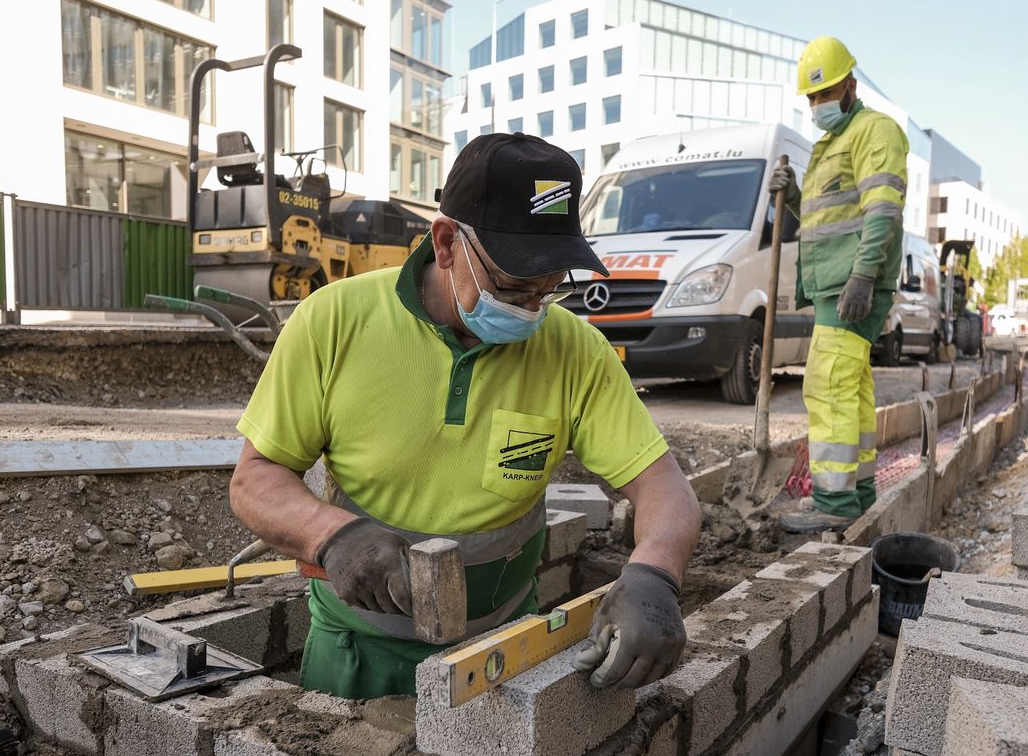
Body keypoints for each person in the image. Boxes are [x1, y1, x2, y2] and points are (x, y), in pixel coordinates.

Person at [230, 133, 702, 699]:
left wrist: (654, 575)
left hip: (503, 654)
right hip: (360, 653)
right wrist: (331, 535)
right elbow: (255, 480)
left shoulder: (575, 352)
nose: (531, 310)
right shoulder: (333, 322)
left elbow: (663, 488)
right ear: (447, 241)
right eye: (512, 286)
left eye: (549, 289)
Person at [768, 36, 909, 533]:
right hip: (836, 285)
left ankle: (834, 502)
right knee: (851, 389)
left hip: (855, 286)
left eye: (825, 92)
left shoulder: (875, 131)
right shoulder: (832, 143)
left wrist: (864, 277)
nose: (817, 105)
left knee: (827, 386)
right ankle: (858, 489)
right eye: (811, 97)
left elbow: (883, 212)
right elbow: (831, 215)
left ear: (851, 85)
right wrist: (794, 196)